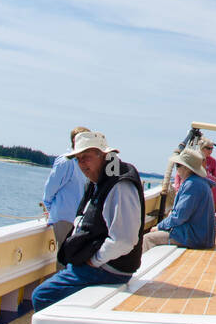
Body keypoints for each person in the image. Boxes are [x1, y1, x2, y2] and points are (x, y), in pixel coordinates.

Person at [33, 131, 145, 312]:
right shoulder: (102, 178)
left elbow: (124, 240)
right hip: (103, 265)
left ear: (104, 156)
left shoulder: (119, 184)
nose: (81, 164)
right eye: (78, 159)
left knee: (42, 295)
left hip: (110, 269)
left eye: (86, 157)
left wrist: (93, 261)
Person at [142, 147, 216, 251]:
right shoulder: (200, 182)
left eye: (178, 165)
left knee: (147, 238)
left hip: (195, 238)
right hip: (201, 236)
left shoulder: (192, 185)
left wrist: (159, 227)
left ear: (187, 168)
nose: (176, 170)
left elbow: (180, 216)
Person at [42, 126, 91, 257]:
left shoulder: (85, 163)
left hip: (78, 218)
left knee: (74, 256)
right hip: (64, 217)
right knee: (65, 257)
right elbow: (50, 188)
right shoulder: (66, 162)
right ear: (75, 141)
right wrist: (50, 209)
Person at [198, 138, 216, 210]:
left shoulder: (213, 161)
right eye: (208, 148)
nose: (211, 151)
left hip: (210, 191)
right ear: (202, 148)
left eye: (212, 148)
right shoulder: (195, 158)